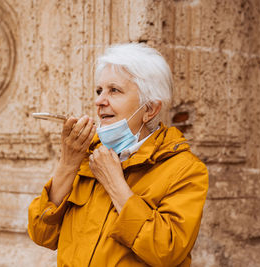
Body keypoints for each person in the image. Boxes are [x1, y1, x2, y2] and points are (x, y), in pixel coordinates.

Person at [28, 43, 208, 267]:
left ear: (149, 109)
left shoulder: (185, 170)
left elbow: (166, 251)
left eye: (114, 90)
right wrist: (67, 163)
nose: (100, 101)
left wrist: (115, 183)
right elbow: (41, 234)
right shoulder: (87, 156)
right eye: (99, 90)